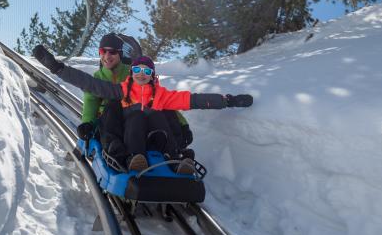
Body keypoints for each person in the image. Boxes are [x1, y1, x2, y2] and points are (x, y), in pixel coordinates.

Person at [33, 45, 253, 172]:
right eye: (137, 70)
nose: (140, 74)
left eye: (146, 72)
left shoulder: (161, 95)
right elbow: (91, 85)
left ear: (152, 76)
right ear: (131, 72)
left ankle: (175, 159)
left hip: (154, 135)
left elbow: (193, 100)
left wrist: (227, 100)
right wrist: (57, 68)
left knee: (159, 116)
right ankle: (135, 158)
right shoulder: (122, 91)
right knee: (136, 117)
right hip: (132, 136)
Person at [76, 33, 192, 163]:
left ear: (120, 54)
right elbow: (90, 102)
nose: (107, 56)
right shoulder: (97, 78)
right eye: (103, 51)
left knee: (159, 109)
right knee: (113, 105)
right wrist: (87, 123)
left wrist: (183, 124)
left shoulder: (134, 72)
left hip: (136, 117)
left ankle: (175, 150)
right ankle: (115, 149)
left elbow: (160, 97)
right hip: (111, 123)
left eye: (112, 52)